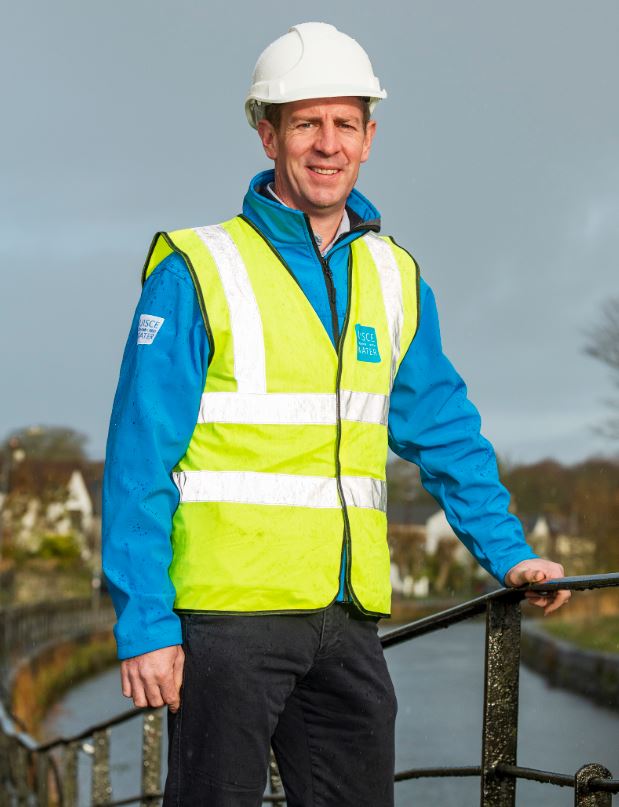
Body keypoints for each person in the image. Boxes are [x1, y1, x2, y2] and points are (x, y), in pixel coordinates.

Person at [102, 22, 570, 807]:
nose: (327, 144)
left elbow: (443, 428)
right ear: (267, 133)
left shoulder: (394, 275)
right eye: (306, 122)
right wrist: (146, 620)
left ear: (369, 136)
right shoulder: (197, 267)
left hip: (345, 620)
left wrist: (509, 552)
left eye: (345, 123)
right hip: (227, 619)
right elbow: (139, 455)